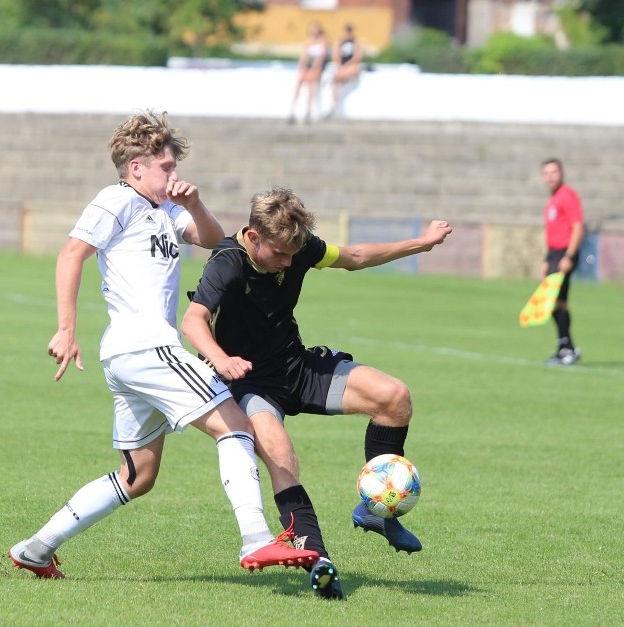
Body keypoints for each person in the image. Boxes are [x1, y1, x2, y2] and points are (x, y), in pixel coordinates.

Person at [8, 112, 319, 579]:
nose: (173, 176)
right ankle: (256, 539)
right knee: (235, 427)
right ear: (136, 167)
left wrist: (194, 203)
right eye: (166, 168)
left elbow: (215, 240)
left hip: (129, 357)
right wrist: (66, 329)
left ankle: (36, 547)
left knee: (138, 476)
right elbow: (72, 253)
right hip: (147, 348)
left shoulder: (167, 210)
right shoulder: (116, 200)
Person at [181, 187, 452, 600]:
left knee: (394, 397)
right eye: (280, 253)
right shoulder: (226, 263)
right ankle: (317, 560)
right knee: (281, 456)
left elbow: (356, 257)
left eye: (294, 253)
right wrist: (220, 359)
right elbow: (193, 320)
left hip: (297, 366)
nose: (289, 262)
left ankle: (375, 510)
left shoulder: (298, 245)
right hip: (250, 381)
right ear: (253, 236)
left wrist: (423, 242)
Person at [540, 157, 584, 366]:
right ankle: (565, 347)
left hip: (564, 253)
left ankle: (567, 349)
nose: (550, 177)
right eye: (546, 173)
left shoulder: (567, 196)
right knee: (555, 303)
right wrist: (546, 260)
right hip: (553, 254)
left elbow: (577, 227)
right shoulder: (553, 199)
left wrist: (568, 256)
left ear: (562, 173)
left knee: (556, 302)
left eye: (554, 172)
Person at [289, 21, 329, 124]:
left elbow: (321, 57)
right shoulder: (308, 41)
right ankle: (292, 110)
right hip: (307, 66)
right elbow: (304, 56)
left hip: (316, 68)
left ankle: (308, 111)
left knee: (311, 84)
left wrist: (314, 68)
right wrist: (303, 67)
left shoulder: (323, 41)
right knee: (299, 82)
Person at [328, 23, 364, 117]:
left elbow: (357, 56)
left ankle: (335, 107)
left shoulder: (356, 42)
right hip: (342, 68)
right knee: (336, 80)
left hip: (351, 67)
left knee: (338, 76)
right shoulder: (340, 42)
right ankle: (334, 106)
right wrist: (340, 65)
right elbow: (336, 55)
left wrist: (347, 65)